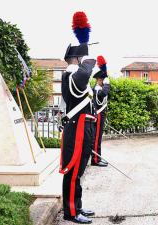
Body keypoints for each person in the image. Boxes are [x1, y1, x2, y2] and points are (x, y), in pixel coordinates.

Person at [59, 11, 96, 224]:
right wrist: (88, 57)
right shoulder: (71, 75)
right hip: (77, 127)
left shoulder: (74, 74)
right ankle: (71, 212)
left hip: (84, 126)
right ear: (77, 58)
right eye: (82, 58)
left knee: (79, 169)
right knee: (73, 171)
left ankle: (78, 205)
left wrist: (85, 51)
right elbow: (83, 76)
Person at [90, 55, 111, 167]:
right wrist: (107, 84)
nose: (104, 81)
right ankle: (95, 160)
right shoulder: (98, 89)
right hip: (98, 116)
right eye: (103, 79)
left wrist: (105, 70)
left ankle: (98, 157)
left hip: (101, 115)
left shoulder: (99, 88)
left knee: (99, 138)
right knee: (96, 138)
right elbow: (103, 94)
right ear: (99, 80)